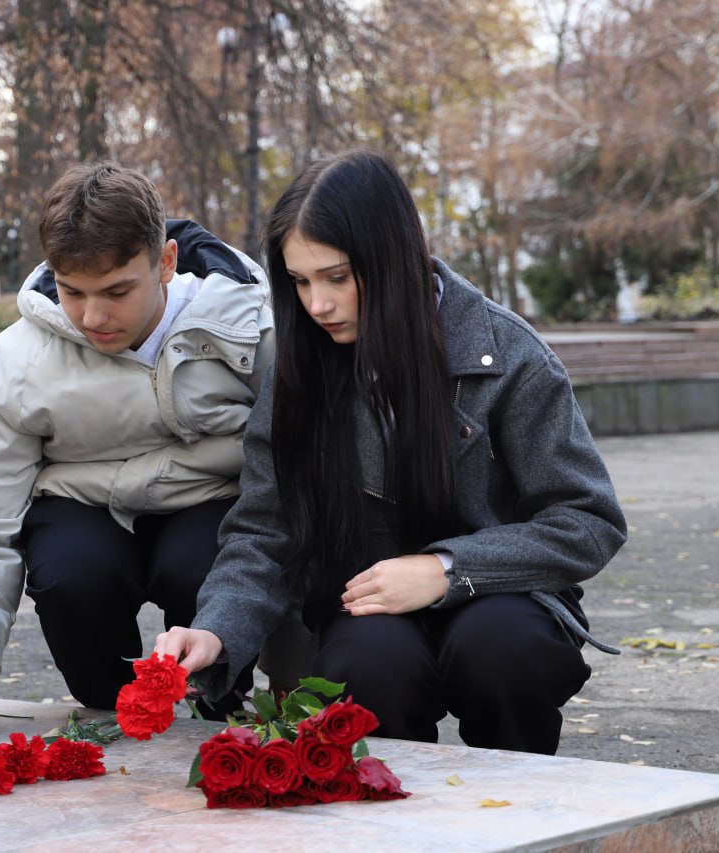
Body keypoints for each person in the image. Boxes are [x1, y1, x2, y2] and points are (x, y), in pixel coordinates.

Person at [156, 150, 627, 754]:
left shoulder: (508, 356)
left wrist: (445, 570)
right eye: (299, 282)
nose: (316, 305)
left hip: (503, 599)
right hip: (360, 606)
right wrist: (216, 630)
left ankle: (519, 827)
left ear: (393, 259)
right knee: (369, 667)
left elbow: (588, 520)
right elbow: (264, 529)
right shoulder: (299, 366)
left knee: (502, 648)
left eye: (337, 277)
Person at [0, 162, 274, 723]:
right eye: (72, 292)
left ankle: (218, 697)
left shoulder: (250, 332)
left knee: (199, 565)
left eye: (116, 290)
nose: (93, 316)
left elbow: (293, 487)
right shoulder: (15, 364)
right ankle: (111, 713)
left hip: (210, 501)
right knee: (71, 574)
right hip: (83, 506)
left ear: (165, 262)